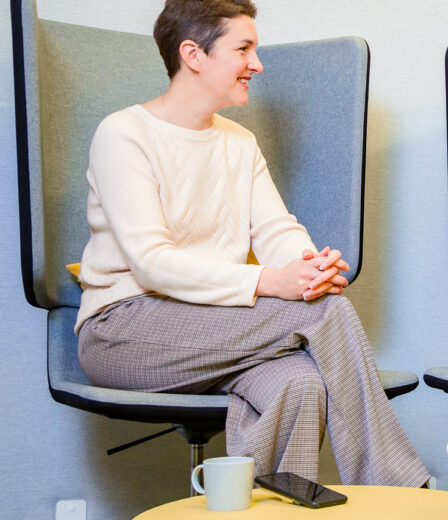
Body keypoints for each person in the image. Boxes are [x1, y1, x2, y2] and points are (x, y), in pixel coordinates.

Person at [75, 0, 429, 487]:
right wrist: (270, 281)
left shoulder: (238, 141)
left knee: (300, 383)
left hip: (213, 328)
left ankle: (264, 510)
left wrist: (307, 269)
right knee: (325, 313)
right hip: (125, 328)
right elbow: (152, 264)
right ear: (193, 55)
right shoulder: (124, 134)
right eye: (244, 48)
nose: (257, 64)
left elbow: (275, 229)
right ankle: (400, 488)